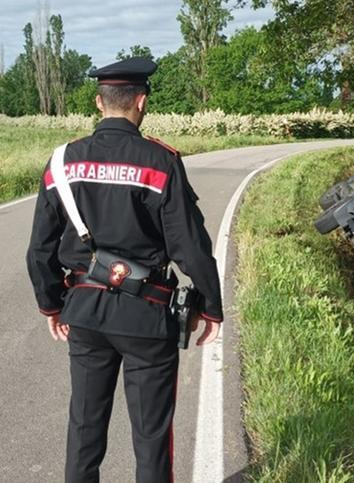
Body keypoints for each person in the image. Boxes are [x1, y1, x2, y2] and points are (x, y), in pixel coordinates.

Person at [25, 56, 223, 483]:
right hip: (147, 317)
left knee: (84, 428)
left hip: (85, 314)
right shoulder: (161, 161)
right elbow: (189, 245)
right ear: (142, 101)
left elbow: (39, 249)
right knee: (151, 438)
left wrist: (52, 305)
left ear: (100, 102)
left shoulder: (63, 162)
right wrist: (210, 305)